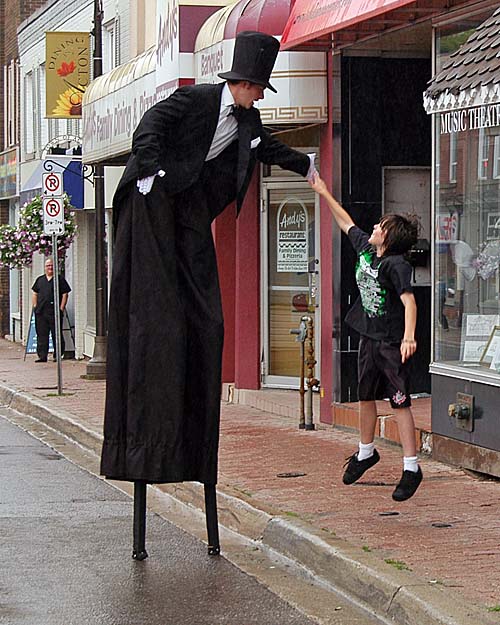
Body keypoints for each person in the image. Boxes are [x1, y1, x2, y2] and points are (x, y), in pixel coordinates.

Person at [101, 31, 316, 485]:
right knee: (156, 307)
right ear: (240, 82)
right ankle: (147, 434)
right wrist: (152, 167)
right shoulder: (195, 99)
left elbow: (269, 149)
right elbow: (150, 124)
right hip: (153, 196)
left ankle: (191, 438)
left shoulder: (247, 122)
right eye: (257, 88)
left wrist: (306, 166)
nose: (259, 96)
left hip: (190, 212)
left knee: (206, 318)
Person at [309, 173, 423, 502]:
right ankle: (365, 452)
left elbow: (409, 301)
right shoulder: (366, 251)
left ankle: (412, 466)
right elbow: (346, 221)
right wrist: (323, 192)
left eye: (380, 226)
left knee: (399, 402)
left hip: (390, 342)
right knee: (364, 396)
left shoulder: (396, 265)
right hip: (368, 338)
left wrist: (409, 337)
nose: (373, 227)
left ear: (388, 237)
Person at [31, 257, 71, 363]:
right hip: (41, 312)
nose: (50, 267)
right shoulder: (40, 280)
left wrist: (61, 308)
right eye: (48, 266)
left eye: (52, 265)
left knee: (56, 334)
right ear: (45, 268)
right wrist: (35, 306)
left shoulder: (60, 279)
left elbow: (65, 294)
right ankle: (42, 356)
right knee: (41, 334)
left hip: (54, 312)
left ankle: (57, 355)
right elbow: (35, 293)